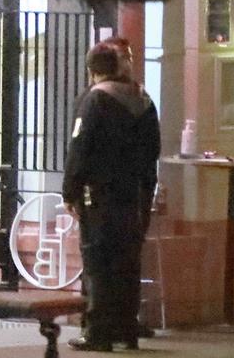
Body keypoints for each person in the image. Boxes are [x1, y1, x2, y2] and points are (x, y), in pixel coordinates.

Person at [62, 42, 161, 352]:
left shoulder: (95, 100)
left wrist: (70, 191)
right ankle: (126, 328)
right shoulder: (143, 100)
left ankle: (98, 332)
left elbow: (80, 149)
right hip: (134, 195)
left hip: (100, 196)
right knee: (128, 262)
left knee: (99, 262)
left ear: (92, 70)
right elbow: (153, 149)